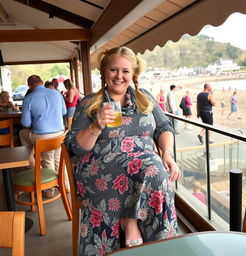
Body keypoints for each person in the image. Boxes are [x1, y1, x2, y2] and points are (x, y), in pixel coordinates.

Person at [65, 46, 180, 255]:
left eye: (125, 71)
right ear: (104, 72)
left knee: (157, 173)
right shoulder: (90, 102)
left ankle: (133, 221)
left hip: (143, 167)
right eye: (113, 70)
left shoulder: (144, 97)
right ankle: (153, 240)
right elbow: (74, 146)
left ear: (133, 74)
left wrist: (168, 154)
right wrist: (96, 126)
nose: (119, 76)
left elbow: (164, 128)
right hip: (102, 168)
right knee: (154, 171)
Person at [19, 75, 67, 195]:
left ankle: (48, 188)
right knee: (58, 158)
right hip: (61, 134)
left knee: (22, 134)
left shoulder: (29, 98)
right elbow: (64, 112)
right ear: (41, 82)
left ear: (29, 86)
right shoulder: (56, 93)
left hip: (43, 137)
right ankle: (66, 186)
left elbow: (26, 123)